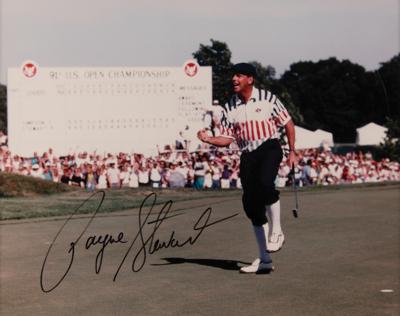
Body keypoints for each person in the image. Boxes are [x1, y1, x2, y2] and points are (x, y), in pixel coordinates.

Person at [197, 63, 297, 274]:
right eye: (233, 75)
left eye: (239, 75)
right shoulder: (229, 106)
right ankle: (264, 260)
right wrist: (208, 139)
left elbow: (288, 123)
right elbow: (226, 139)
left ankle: (277, 231)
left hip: (269, 146)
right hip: (248, 155)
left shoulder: (268, 98)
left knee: (265, 184)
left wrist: (293, 151)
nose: (234, 79)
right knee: (251, 205)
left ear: (250, 79)